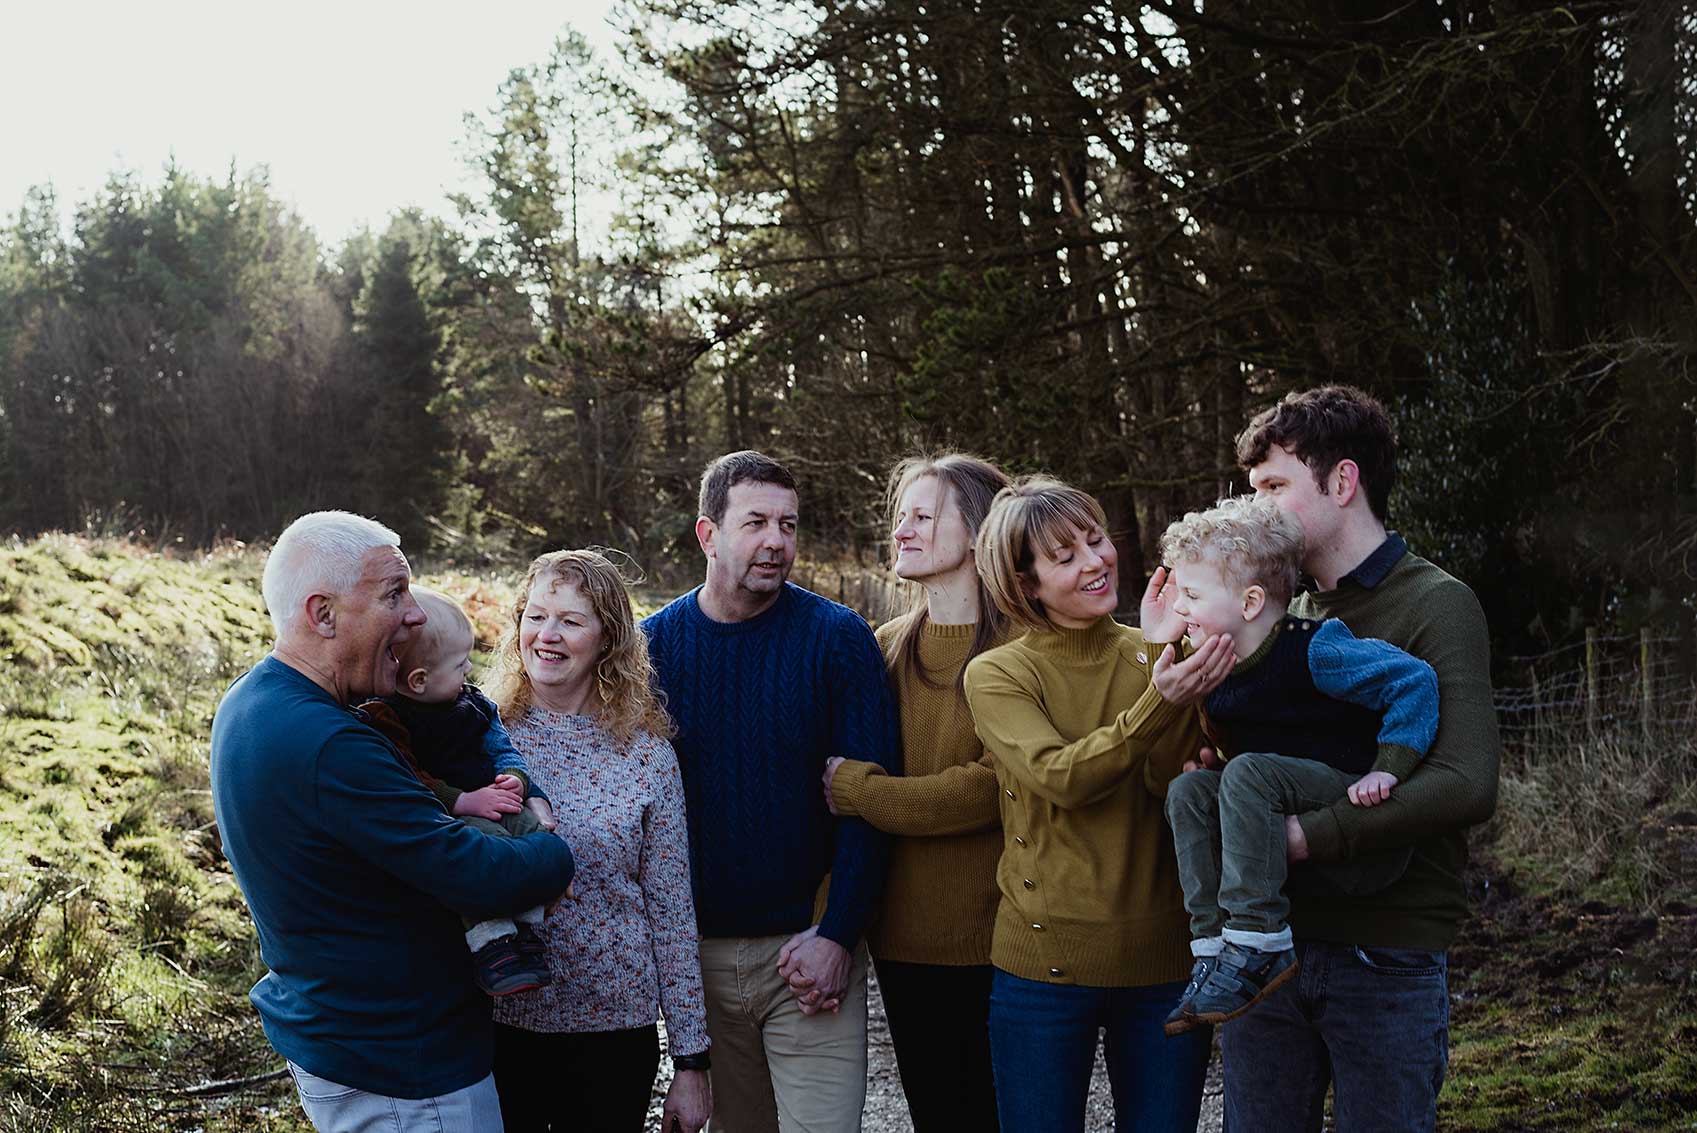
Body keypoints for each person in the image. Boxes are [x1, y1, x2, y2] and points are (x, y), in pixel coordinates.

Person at [1155, 385, 1500, 1133]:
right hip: (1269, 949)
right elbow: (1237, 752)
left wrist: (1307, 837)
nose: (1256, 509)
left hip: (1385, 945)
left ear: (1341, 482)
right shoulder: (1278, 613)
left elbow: (1466, 782)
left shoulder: (1436, 603)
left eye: (1273, 487)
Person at [209, 511, 575, 1133]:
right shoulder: (329, 744)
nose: (414, 615)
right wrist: (552, 852)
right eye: (393, 595)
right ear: (322, 615)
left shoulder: (252, 701)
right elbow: (472, 872)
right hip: (405, 1075)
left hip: (351, 1042)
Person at [642, 451, 898, 1133]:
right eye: (755, 522)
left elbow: (870, 804)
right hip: (696, 962)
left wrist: (839, 932)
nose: (776, 541)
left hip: (806, 953)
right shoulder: (649, 649)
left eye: (787, 524)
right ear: (707, 534)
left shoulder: (837, 638)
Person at [962, 476, 1222, 1133]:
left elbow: (1171, 781)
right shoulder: (997, 674)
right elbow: (1060, 778)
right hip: (1042, 972)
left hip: (1165, 965)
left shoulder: (1156, 656)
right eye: (1064, 554)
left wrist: (1159, 657)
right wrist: (1158, 691)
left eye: (1095, 538)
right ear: (1025, 585)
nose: (1095, 559)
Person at [1154, 495, 1439, 1034]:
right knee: (1187, 792)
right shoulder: (1216, 666)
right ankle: (1216, 945)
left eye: (1191, 594)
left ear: (1250, 601)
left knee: (1246, 772)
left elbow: (1414, 681)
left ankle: (1260, 938)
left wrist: (1390, 766)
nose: (1180, 608)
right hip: (1277, 798)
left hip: (1348, 799)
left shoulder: (1315, 648)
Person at [485, 549, 713, 1133]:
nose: (547, 635)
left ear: (608, 639)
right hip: (500, 1022)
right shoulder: (480, 736)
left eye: (570, 620)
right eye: (535, 616)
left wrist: (691, 1060)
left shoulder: (646, 755)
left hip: (614, 1031)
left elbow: (671, 912)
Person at [820, 453, 1011, 1132]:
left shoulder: (1022, 645)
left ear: (979, 530)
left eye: (923, 515)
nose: (902, 529)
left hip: (1004, 941)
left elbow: (991, 787)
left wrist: (861, 791)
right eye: (900, 515)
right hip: (902, 942)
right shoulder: (884, 646)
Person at [362, 587, 557, 996]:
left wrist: (515, 777)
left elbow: (501, 745)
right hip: (451, 813)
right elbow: (409, 777)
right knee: (482, 847)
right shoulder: (391, 718)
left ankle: (525, 931)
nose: (471, 670)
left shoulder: (474, 705)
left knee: (529, 830)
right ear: (419, 680)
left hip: (493, 798)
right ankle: (493, 944)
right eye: (460, 666)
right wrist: (462, 800)